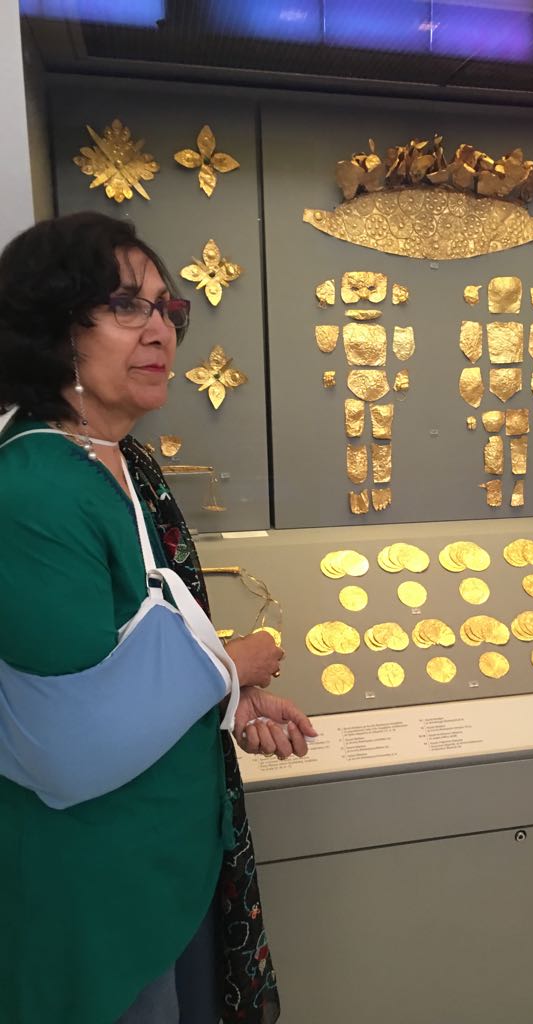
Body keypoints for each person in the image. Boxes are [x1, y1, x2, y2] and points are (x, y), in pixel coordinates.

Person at [0, 211, 317, 1024]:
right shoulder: (34, 491)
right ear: (51, 323)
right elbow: (64, 746)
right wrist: (228, 666)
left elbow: (134, 655)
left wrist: (229, 702)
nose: (160, 331)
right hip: (97, 890)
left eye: (168, 309)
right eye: (124, 306)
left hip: (164, 865)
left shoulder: (116, 460)